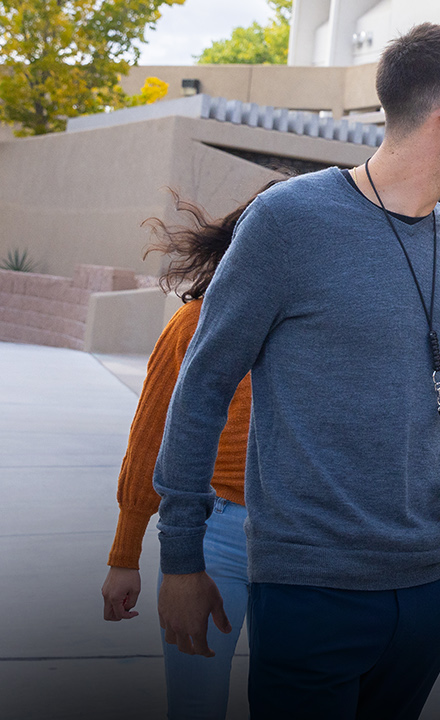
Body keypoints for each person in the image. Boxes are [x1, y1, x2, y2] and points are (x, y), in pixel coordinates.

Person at [151, 23, 440, 719]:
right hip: (309, 588)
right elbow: (201, 388)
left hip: (436, 584)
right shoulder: (288, 222)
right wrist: (180, 557)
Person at [100, 185, 274, 720]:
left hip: (304, 541)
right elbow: (149, 439)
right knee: (195, 702)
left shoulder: (327, 332)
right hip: (213, 534)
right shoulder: (194, 322)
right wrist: (124, 556)